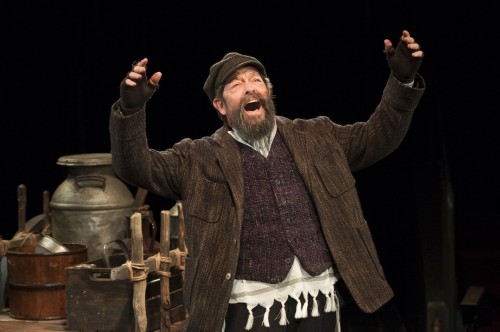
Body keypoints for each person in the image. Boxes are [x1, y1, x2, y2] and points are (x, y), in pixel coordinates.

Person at [109, 29, 425, 331]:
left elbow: (377, 137)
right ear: (220, 106)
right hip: (247, 306)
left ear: (268, 92)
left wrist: (402, 80)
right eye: (235, 85)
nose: (249, 87)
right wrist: (130, 111)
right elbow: (136, 167)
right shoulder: (197, 157)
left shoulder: (316, 136)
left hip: (317, 297)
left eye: (256, 80)